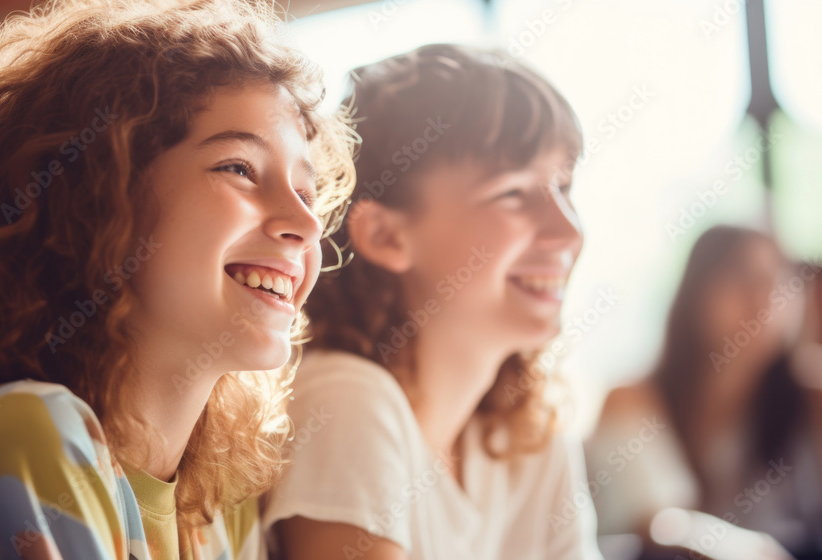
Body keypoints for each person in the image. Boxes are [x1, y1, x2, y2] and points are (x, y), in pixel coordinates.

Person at [0, 0, 356, 558]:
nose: (305, 224)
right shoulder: (28, 437)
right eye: (239, 168)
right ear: (96, 198)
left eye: (306, 192)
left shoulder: (217, 508)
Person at [262, 44, 602, 560]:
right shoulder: (349, 403)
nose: (567, 232)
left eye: (563, 186)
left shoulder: (526, 433)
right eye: (511, 193)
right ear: (386, 235)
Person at [587, 226, 822, 558]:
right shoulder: (631, 399)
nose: (767, 297)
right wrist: (749, 549)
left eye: (781, 280)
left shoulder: (811, 399)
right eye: (743, 277)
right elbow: (656, 525)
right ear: (697, 291)